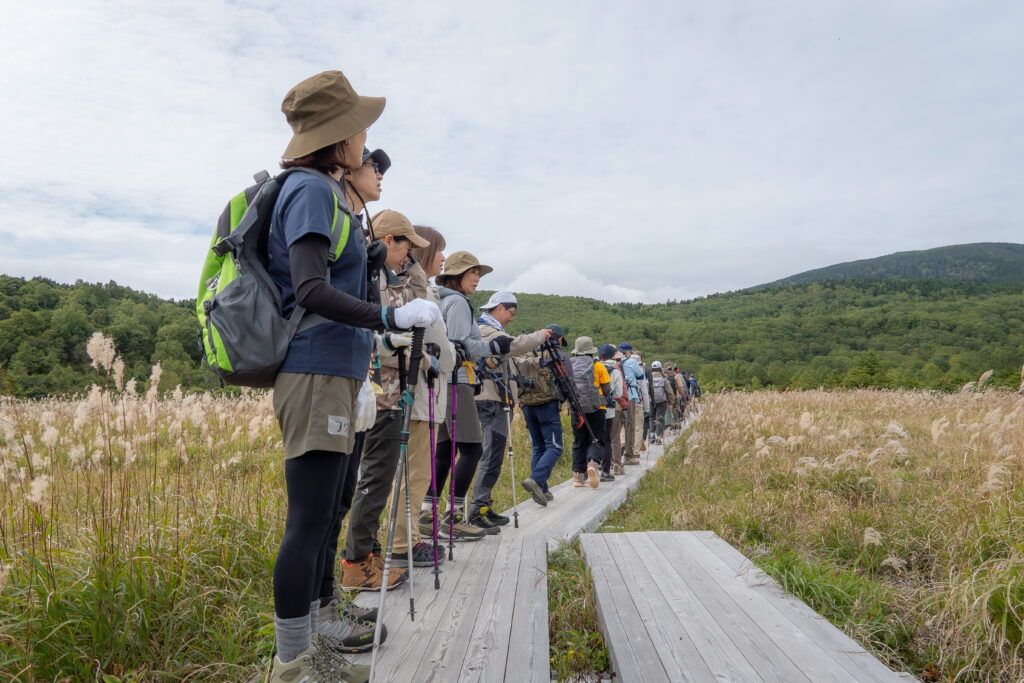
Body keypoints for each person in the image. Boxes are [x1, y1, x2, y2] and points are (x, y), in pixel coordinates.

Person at [265, 70, 441, 681]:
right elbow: (310, 288)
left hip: (337, 370)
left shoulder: (327, 193)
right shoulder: (309, 191)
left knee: (330, 509)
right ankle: (294, 664)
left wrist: (378, 335)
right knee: (309, 520)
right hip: (314, 370)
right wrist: (389, 316)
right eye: (360, 127)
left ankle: (320, 630)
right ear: (338, 135)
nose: (367, 138)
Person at [339, 210, 432, 591]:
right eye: (406, 246)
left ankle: (367, 555)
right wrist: (388, 341)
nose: (409, 255)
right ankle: (357, 562)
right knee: (375, 478)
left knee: (378, 478)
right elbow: (357, 328)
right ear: (389, 240)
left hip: (389, 393)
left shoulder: (381, 276)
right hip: (378, 394)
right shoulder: (367, 277)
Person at [386, 225, 458, 567]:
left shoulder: (420, 289)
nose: (443, 258)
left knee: (416, 472)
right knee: (416, 472)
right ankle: (404, 544)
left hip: (422, 391)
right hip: (421, 392)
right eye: (439, 250)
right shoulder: (420, 293)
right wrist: (451, 355)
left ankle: (409, 537)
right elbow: (441, 348)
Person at [432, 251, 512, 540]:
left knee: (445, 451)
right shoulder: (457, 302)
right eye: (472, 273)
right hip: (458, 381)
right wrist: (493, 347)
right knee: (472, 450)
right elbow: (457, 345)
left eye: (478, 273)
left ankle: (428, 515)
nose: (477, 278)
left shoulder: (442, 300)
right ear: (456, 275)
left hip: (444, 381)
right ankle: (452, 517)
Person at [468, 292, 550, 530]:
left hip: (495, 398)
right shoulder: (486, 331)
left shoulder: (492, 331)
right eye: (511, 313)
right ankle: (477, 510)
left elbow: (512, 362)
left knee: (493, 455)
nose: (512, 318)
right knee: (492, 455)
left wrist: (538, 363)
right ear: (499, 308)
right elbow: (515, 346)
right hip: (491, 399)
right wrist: (541, 335)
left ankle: (483, 505)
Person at [518, 324, 570, 505]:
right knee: (555, 447)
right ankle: (536, 480)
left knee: (538, 447)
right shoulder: (557, 355)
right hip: (547, 405)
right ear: (559, 338)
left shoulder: (527, 351)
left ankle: (543, 490)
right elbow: (567, 381)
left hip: (527, 404)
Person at [569, 336, 612, 488]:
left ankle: (578, 476)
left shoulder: (569, 365)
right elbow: (607, 388)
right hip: (596, 408)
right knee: (596, 438)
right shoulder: (598, 366)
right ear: (591, 351)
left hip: (576, 408)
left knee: (579, 441)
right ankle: (592, 464)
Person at [599, 344, 629, 476]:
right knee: (614, 437)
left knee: (599, 436)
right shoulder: (616, 371)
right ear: (613, 356)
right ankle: (616, 464)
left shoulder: (595, 368)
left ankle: (598, 462)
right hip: (613, 406)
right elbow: (619, 393)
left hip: (596, 407)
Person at [616, 342, 643, 465]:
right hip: (629, 395)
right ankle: (629, 455)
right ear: (628, 352)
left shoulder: (615, 363)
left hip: (616, 397)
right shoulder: (631, 362)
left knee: (616, 427)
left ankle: (614, 455)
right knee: (629, 425)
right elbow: (640, 375)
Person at [649, 360, 675, 443]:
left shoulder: (648, 378)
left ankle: (652, 436)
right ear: (660, 368)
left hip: (650, 401)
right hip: (662, 401)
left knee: (651, 418)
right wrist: (671, 402)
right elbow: (669, 392)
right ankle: (658, 437)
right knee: (659, 418)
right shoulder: (663, 378)